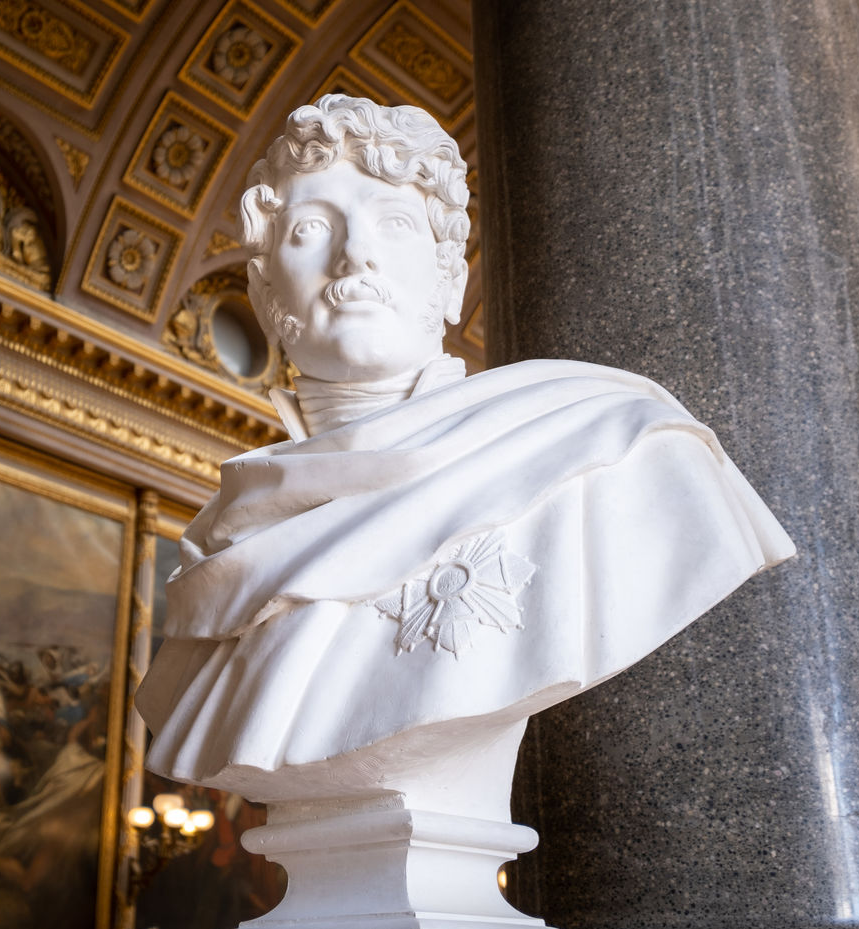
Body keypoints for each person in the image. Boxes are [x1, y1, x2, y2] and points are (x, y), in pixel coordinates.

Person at [134, 96, 796, 811]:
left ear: (452, 280)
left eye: (394, 223)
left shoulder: (609, 442)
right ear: (265, 296)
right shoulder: (232, 531)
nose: (354, 255)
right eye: (311, 228)